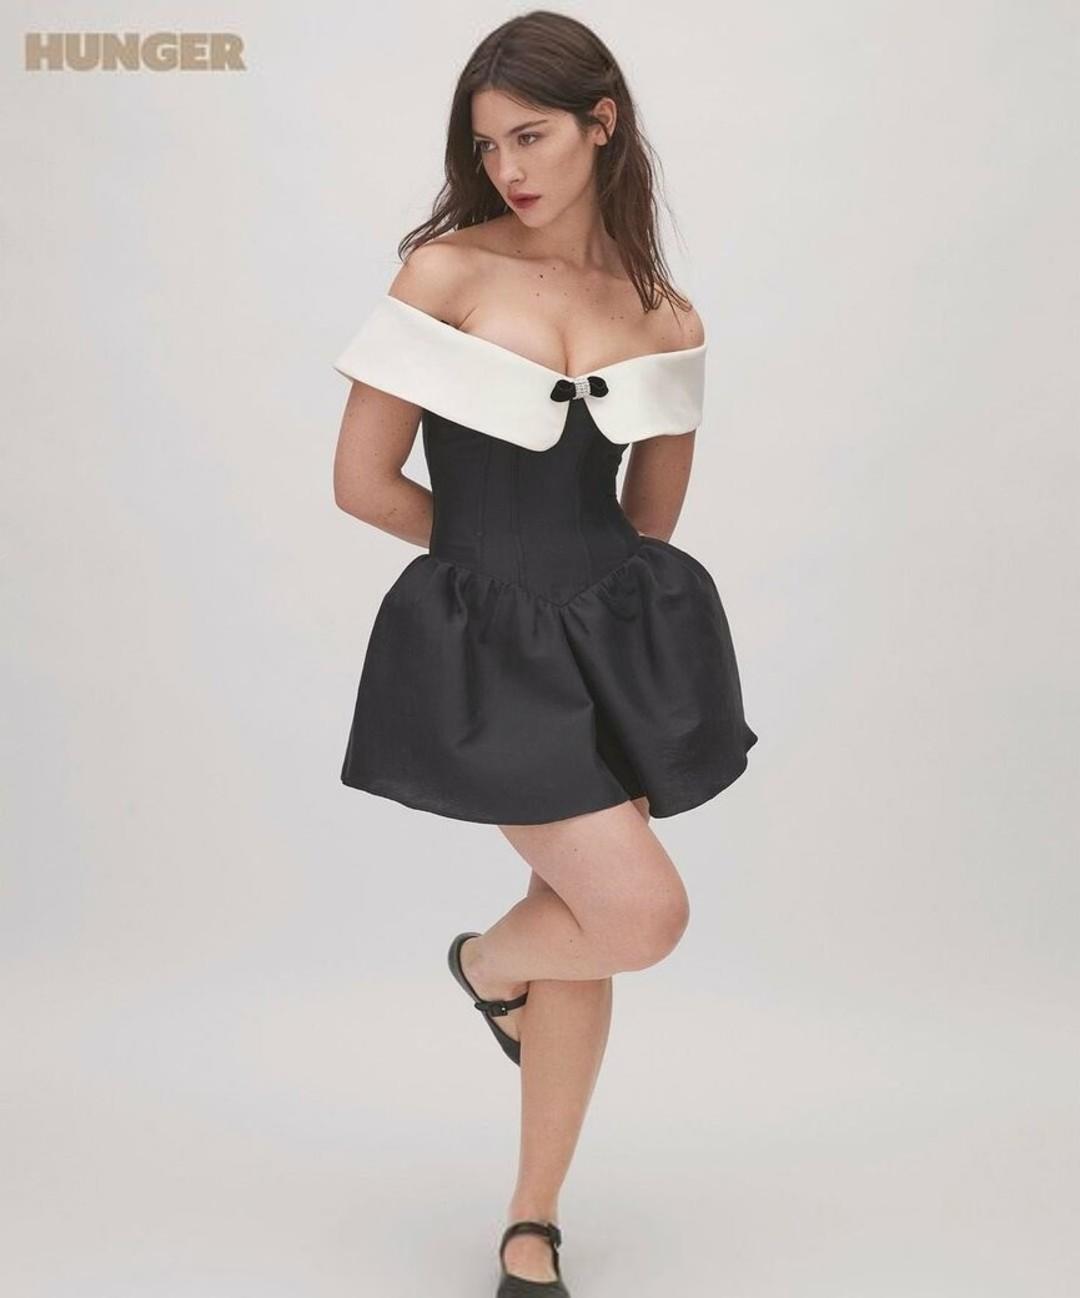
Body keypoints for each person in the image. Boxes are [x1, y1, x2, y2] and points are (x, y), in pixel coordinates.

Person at [331, 12, 758, 1295]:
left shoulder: (665, 312)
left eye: (531, 136)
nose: (508, 166)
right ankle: (483, 961)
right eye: (487, 144)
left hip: (615, 637)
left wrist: (591, 615)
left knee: (591, 917)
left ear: (600, 124)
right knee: (638, 911)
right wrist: (487, 571)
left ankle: (533, 1219)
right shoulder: (446, 273)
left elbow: (651, 520)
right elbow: (362, 481)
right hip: (485, 641)